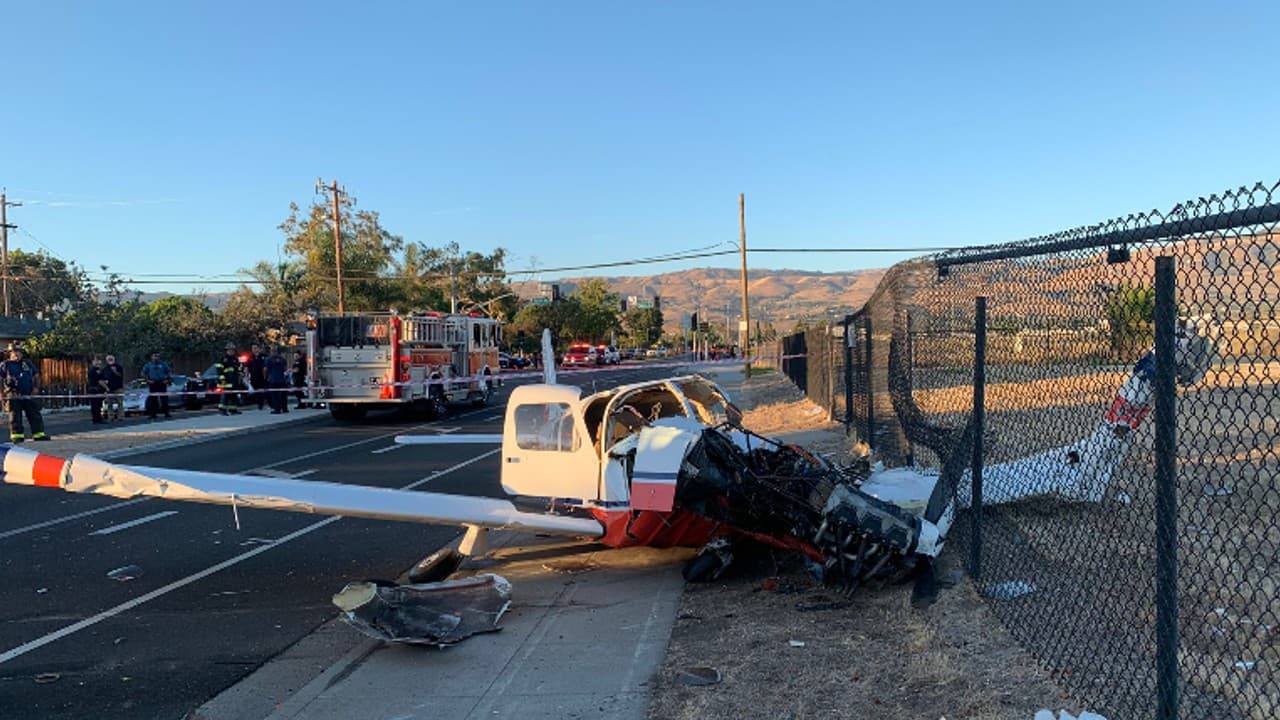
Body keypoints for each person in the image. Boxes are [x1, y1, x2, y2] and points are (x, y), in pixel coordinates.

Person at [1, 344, 49, 442]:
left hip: (28, 393)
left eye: (19, 352)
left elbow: (36, 375)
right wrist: (1, 393)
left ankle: (38, 434)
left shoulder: (27, 363)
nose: (17, 355)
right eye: (15, 353)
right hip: (13, 394)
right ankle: (17, 436)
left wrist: (36, 388)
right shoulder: (5, 365)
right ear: (10, 354)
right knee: (15, 417)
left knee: (34, 415)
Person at [141, 351, 174, 420]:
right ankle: (153, 414)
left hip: (162, 382)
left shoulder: (163, 364)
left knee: (164, 399)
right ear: (151, 357)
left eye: (157, 356)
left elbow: (169, 371)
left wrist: (167, 379)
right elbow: (143, 373)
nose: (156, 358)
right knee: (153, 399)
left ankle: (167, 413)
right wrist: (148, 380)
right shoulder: (148, 365)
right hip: (153, 383)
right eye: (155, 356)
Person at [215, 343, 243, 416]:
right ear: (227, 351)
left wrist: (240, 374)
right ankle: (222, 410)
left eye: (233, 350)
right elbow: (219, 370)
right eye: (230, 350)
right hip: (226, 381)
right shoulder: (223, 359)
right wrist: (222, 379)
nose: (231, 352)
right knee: (225, 396)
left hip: (234, 381)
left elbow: (238, 369)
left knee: (233, 395)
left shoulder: (235, 359)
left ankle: (233, 409)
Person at [265, 346, 289, 414]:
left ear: (271, 351)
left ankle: (277, 409)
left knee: (275, 396)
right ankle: (285, 408)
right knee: (283, 395)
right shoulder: (282, 359)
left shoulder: (268, 359)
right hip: (282, 380)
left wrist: (265, 377)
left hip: (273, 380)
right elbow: (285, 368)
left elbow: (265, 369)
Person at [102, 353, 125, 420]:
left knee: (120, 403)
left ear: (114, 359)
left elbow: (121, 376)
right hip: (109, 389)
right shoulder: (105, 369)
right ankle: (110, 417)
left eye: (111, 359)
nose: (110, 360)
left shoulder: (119, 367)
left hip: (118, 388)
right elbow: (103, 378)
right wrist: (105, 387)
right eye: (109, 359)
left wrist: (115, 371)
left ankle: (120, 417)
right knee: (109, 404)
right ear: (106, 360)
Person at [246, 344, 268, 410]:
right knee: (255, 392)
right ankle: (259, 404)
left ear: (259, 349)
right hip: (253, 377)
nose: (254, 350)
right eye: (253, 348)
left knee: (263, 391)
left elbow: (266, 367)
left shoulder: (264, 356)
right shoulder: (250, 358)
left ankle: (263, 403)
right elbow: (247, 367)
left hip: (262, 377)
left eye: (256, 348)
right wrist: (247, 376)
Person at [88, 356, 108, 424]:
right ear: (93, 362)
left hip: (98, 390)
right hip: (95, 390)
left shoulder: (100, 370)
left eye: (98, 361)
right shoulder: (93, 371)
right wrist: (107, 388)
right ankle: (97, 419)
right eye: (95, 361)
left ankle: (97, 418)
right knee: (96, 405)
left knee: (98, 405)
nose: (97, 363)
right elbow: (99, 381)